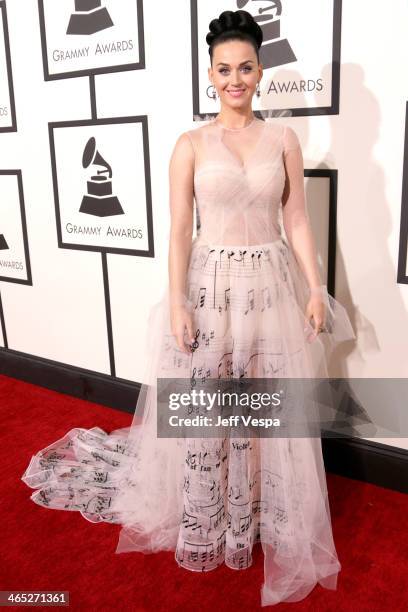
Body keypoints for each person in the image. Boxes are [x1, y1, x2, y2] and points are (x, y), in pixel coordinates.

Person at [21, 9, 356, 607]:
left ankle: (250, 511)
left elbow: (297, 218)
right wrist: (177, 300)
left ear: (260, 71)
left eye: (246, 67)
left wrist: (313, 286)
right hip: (210, 285)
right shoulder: (190, 143)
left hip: (269, 285)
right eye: (224, 69)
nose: (235, 79)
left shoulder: (283, 140)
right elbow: (179, 231)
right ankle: (209, 514)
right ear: (210, 74)